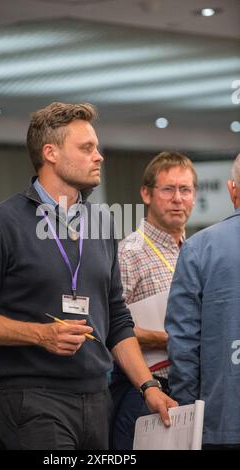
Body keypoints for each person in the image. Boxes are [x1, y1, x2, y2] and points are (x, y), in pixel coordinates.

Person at [0, 102, 177, 450]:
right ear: (50, 153)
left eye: (96, 147)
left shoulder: (101, 224)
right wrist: (40, 335)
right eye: (86, 148)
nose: (98, 156)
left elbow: (117, 317)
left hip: (98, 397)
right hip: (34, 400)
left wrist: (149, 387)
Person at [110, 151, 197, 449]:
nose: (177, 199)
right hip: (143, 390)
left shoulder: (195, 252)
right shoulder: (129, 252)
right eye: (168, 189)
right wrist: (166, 339)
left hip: (188, 387)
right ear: (146, 194)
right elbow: (108, 326)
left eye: (185, 190)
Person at [165, 154, 240, 449]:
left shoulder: (199, 248)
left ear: (232, 189)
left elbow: (183, 343)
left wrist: (187, 413)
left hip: (221, 422)